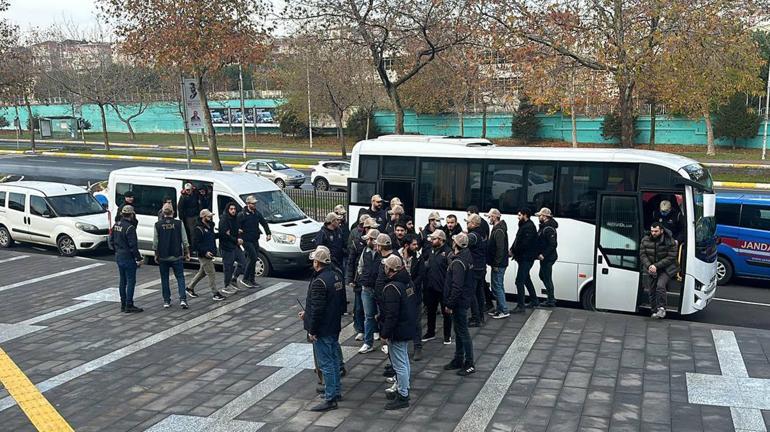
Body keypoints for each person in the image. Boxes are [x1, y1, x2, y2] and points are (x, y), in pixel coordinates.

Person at [300, 246, 345, 412]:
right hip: (333, 325)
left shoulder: (319, 281)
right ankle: (335, 390)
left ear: (317, 262)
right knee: (333, 360)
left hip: (323, 328)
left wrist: (312, 330)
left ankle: (331, 396)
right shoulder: (335, 276)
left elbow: (318, 308)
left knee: (326, 363)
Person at [380, 254, 418, 410]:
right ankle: (405, 387)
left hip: (397, 330)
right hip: (407, 326)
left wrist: (384, 334)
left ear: (390, 269)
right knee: (404, 360)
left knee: (399, 364)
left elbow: (391, 315)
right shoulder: (407, 282)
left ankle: (403, 395)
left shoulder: (392, 287)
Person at [443, 232, 476, 377]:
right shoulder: (466, 256)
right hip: (464, 300)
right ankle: (458, 359)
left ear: (455, 244)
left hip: (459, 302)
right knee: (459, 331)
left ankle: (469, 363)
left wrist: (449, 304)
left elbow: (457, 286)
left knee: (462, 332)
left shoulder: (457, 262)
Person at [347, 217, 379, 341]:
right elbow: (351, 262)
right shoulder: (357, 242)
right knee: (359, 307)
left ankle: (375, 329)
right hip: (360, 280)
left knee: (374, 308)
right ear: (365, 229)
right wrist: (351, 278)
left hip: (374, 282)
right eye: (372, 228)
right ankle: (360, 329)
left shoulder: (378, 241)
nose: (375, 230)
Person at [154, 203, 190, 309]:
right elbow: (184, 240)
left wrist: (156, 255)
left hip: (163, 256)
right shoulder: (179, 223)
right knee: (180, 277)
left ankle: (166, 300)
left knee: (164, 278)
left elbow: (155, 243)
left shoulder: (158, 224)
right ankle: (183, 299)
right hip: (176, 255)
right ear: (173, 212)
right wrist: (187, 252)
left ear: (162, 212)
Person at [640, 222, 678, 319]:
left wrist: (656, 266)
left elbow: (671, 257)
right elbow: (643, 255)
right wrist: (650, 266)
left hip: (667, 268)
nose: (654, 233)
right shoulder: (645, 240)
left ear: (661, 230)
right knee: (651, 290)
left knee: (660, 285)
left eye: (656, 231)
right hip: (652, 268)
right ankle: (654, 311)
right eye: (652, 231)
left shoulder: (669, 240)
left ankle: (662, 308)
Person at [109, 205, 143, 313]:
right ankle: (129, 304)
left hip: (119, 255)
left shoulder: (116, 225)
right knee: (131, 281)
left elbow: (111, 241)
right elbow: (133, 245)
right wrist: (138, 258)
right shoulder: (130, 228)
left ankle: (123, 304)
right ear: (132, 214)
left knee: (122, 281)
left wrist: (117, 250)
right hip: (128, 257)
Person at [187, 209, 226, 301]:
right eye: (209, 216)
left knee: (203, 272)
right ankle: (215, 293)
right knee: (211, 273)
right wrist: (205, 252)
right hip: (203, 255)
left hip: (209, 253)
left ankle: (189, 288)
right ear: (203, 217)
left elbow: (211, 236)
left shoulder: (210, 226)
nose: (211, 217)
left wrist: (222, 234)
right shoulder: (198, 229)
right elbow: (195, 244)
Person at [421, 229, 452, 345]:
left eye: (434, 239)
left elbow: (451, 270)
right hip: (431, 287)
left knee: (446, 313)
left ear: (441, 240)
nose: (431, 241)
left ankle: (447, 335)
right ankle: (430, 332)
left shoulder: (448, 253)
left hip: (443, 288)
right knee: (430, 311)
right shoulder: (431, 250)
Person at [238, 195, 272, 288]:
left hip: (254, 239)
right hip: (246, 240)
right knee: (252, 257)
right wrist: (239, 237)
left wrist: (268, 233)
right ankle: (245, 278)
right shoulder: (242, 214)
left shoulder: (256, 213)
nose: (254, 205)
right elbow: (237, 227)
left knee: (254, 258)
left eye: (255, 203)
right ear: (248, 204)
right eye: (253, 203)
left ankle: (252, 279)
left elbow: (263, 222)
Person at [509, 207, 539, 313]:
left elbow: (524, 244)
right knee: (526, 278)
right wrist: (512, 249)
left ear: (525, 215)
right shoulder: (524, 225)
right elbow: (518, 240)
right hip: (524, 257)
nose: (518, 217)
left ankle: (521, 306)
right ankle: (534, 300)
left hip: (527, 257)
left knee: (519, 281)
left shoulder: (529, 227)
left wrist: (514, 251)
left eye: (519, 215)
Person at [400, 234, 424, 361]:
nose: (416, 247)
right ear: (406, 245)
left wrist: (411, 287)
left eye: (417, 244)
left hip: (414, 294)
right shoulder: (396, 257)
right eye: (413, 244)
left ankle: (417, 347)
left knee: (416, 322)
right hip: (399, 294)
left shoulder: (418, 258)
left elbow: (420, 276)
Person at [357, 229, 381, 354]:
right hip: (366, 288)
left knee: (383, 316)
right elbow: (360, 266)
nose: (368, 241)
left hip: (379, 289)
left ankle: (385, 342)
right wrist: (362, 278)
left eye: (371, 239)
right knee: (368, 317)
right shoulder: (365, 251)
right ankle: (368, 342)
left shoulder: (381, 253)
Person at [486, 208, 510, 318]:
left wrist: (496, 263)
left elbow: (500, 249)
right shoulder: (498, 229)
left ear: (495, 217)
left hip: (499, 264)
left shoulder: (499, 230)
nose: (489, 219)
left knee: (497, 286)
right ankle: (500, 308)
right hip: (499, 263)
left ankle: (503, 310)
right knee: (497, 286)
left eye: (490, 216)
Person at [219, 201, 247, 295]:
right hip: (227, 247)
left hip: (235, 246)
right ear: (228, 209)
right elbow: (224, 234)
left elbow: (233, 232)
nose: (233, 211)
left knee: (243, 262)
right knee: (228, 267)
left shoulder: (235, 219)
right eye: (231, 209)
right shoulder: (224, 219)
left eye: (234, 209)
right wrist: (235, 239)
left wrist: (237, 234)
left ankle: (234, 279)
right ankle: (226, 285)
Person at [466, 213, 487, 327]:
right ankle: (481, 316)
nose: (467, 224)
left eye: (468, 222)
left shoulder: (473, 235)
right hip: (481, 266)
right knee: (479, 292)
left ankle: (475, 318)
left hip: (474, 267)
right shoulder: (482, 233)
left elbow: (465, 243)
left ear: (473, 224)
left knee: (471, 292)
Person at [535, 207, 559, 307]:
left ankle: (551, 300)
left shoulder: (548, 229)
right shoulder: (545, 227)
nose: (538, 217)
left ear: (545, 217)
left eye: (540, 215)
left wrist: (543, 254)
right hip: (547, 257)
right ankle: (551, 297)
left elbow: (553, 244)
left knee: (547, 277)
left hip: (548, 258)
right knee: (543, 275)